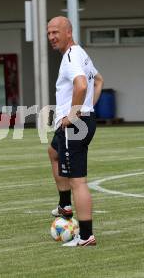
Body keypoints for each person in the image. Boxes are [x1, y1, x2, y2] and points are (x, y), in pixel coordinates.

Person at [46, 16, 104, 247]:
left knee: (78, 181)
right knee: (53, 152)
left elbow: (81, 85)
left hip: (74, 125)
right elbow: (98, 81)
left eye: (56, 32)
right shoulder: (81, 54)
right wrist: (87, 108)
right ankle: (64, 205)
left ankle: (85, 235)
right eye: (49, 33)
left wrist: (72, 115)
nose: (51, 37)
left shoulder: (71, 57)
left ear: (68, 32)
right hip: (82, 120)